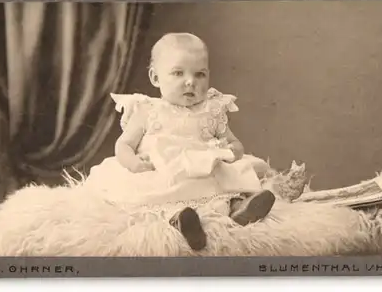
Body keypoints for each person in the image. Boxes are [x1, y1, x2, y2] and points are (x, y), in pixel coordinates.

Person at [87, 32, 293, 251]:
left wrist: (233, 150)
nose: (190, 82)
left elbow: (233, 142)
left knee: (231, 180)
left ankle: (240, 209)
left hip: (204, 172)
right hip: (165, 173)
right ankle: (180, 220)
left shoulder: (212, 111)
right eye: (178, 73)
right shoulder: (147, 110)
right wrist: (133, 163)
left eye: (200, 74)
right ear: (155, 78)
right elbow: (124, 144)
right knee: (156, 198)